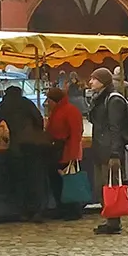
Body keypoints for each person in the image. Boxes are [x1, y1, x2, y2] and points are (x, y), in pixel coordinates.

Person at [0, 86, 53, 223]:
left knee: (20, 180)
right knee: (36, 178)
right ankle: (37, 211)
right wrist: (36, 132)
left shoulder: (6, 106)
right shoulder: (27, 103)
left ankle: (24, 211)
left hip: (17, 147)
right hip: (35, 146)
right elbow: (39, 118)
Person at [86, 69, 128, 235]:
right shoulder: (100, 99)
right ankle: (110, 219)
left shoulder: (114, 100)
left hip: (109, 151)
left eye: (94, 79)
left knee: (111, 186)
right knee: (102, 187)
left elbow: (115, 129)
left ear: (103, 81)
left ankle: (114, 222)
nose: (90, 82)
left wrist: (115, 154)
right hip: (100, 148)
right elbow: (94, 120)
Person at [44, 86, 86, 221]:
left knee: (69, 183)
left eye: (49, 100)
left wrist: (73, 154)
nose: (47, 103)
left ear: (54, 100)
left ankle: (73, 210)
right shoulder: (56, 111)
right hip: (56, 151)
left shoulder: (70, 111)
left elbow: (76, 133)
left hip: (67, 151)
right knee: (57, 183)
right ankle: (62, 208)